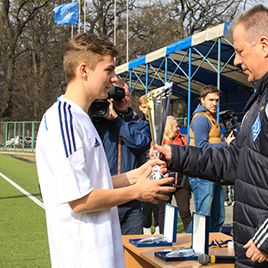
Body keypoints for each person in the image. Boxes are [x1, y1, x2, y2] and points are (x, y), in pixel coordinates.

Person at [35, 33, 175, 268]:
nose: (113, 79)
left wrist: (137, 175)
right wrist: (137, 192)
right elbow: (80, 200)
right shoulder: (64, 121)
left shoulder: (81, 118)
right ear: (84, 70)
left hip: (101, 254)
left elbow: (94, 182)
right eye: (108, 70)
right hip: (84, 258)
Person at [153, 5, 268, 267]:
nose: (236, 61)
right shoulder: (259, 99)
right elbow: (233, 161)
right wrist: (177, 155)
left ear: (264, 45)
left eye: (240, 51)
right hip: (251, 253)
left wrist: (266, 239)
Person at [93, 80, 152, 235]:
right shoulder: (98, 121)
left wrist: (116, 121)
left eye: (125, 94)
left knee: (132, 252)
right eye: (118, 95)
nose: (123, 99)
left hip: (131, 200)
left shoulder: (140, 122)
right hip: (105, 198)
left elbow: (140, 142)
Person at [187, 85, 232, 232]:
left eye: (217, 100)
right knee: (202, 216)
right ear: (202, 100)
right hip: (202, 172)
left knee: (217, 216)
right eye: (211, 100)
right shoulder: (201, 119)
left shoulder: (210, 118)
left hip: (213, 171)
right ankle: (186, 245)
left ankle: (213, 246)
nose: (214, 103)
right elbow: (202, 146)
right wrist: (225, 144)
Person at [158, 115, 191, 233]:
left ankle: (191, 237)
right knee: (163, 212)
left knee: (185, 212)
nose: (179, 129)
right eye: (176, 126)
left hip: (181, 182)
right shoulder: (159, 141)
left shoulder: (183, 139)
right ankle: (163, 236)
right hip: (165, 181)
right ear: (169, 127)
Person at [138, 95, 160, 235]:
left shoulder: (159, 122)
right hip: (143, 165)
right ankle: (146, 228)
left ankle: (158, 228)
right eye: (145, 107)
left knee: (159, 200)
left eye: (150, 106)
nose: (147, 110)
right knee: (146, 202)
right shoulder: (139, 123)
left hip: (158, 165)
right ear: (140, 108)